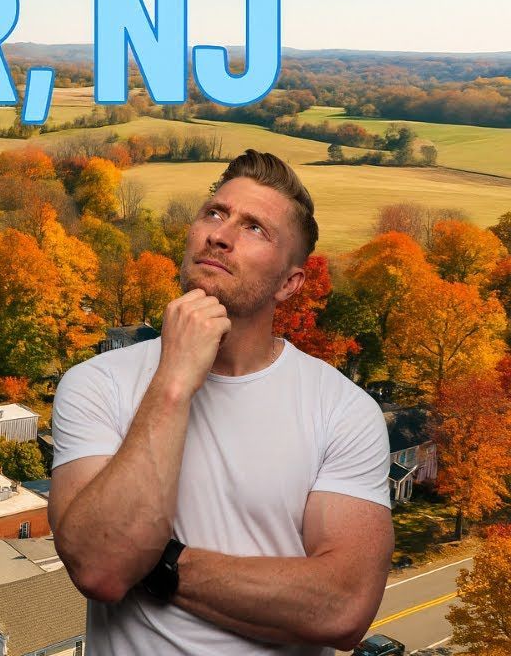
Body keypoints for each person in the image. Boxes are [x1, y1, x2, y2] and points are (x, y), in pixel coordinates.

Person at [49, 150, 393, 655]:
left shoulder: (344, 412)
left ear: (289, 283)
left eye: (255, 228)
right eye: (215, 212)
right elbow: (101, 567)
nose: (221, 234)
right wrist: (174, 380)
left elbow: (341, 608)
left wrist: (157, 563)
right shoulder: (95, 384)